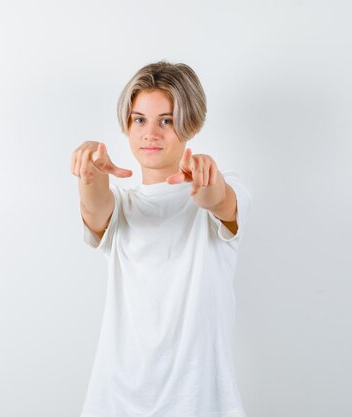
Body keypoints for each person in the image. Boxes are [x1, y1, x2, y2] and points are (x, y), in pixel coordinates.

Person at [70, 61, 252, 417]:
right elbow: (95, 208)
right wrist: (89, 171)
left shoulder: (229, 189)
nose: (150, 133)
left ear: (191, 123)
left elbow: (219, 200)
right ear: (127, 124)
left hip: (198, 402)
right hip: (115, 402)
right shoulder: (121, 206)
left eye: (165, 120)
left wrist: (206, 188)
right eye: (140, 119)